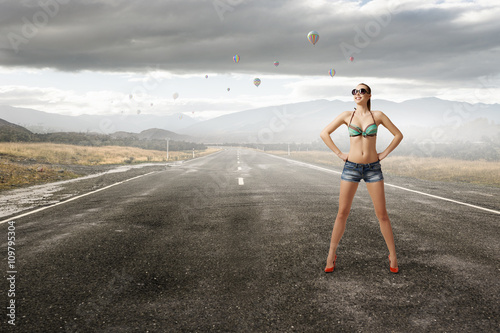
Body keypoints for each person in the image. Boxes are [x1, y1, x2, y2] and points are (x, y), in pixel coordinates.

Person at [320, 83, 403, 274]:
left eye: (362, 91)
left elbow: (398, 135)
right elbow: (324, 133)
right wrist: (340, 154)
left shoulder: (378, 116)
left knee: (382, 214)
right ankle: (331, 254)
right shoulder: (346, 116)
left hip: (373, 168)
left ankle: (393, 255)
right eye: (355, 91)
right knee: (342, 213)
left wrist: (384, 153)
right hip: (351, 167)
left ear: (369, 95)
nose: (357, 94)